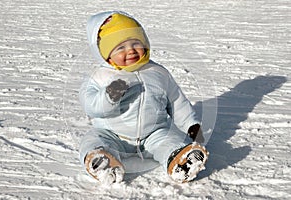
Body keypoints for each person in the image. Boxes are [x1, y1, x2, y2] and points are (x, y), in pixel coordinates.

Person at [79, 11, 208, 185]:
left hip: (153, 132)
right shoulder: (100, 76)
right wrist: (109, 96)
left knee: (169, 139)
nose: (131, 50)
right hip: (112, 133)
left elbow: (176, 101)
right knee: (93, 139)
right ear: (105, 54)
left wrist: (190, 125)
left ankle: (180, 160)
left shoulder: (158, 72)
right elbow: (91, 106)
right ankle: (102, 160)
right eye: (120, 48)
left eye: (135, 43)